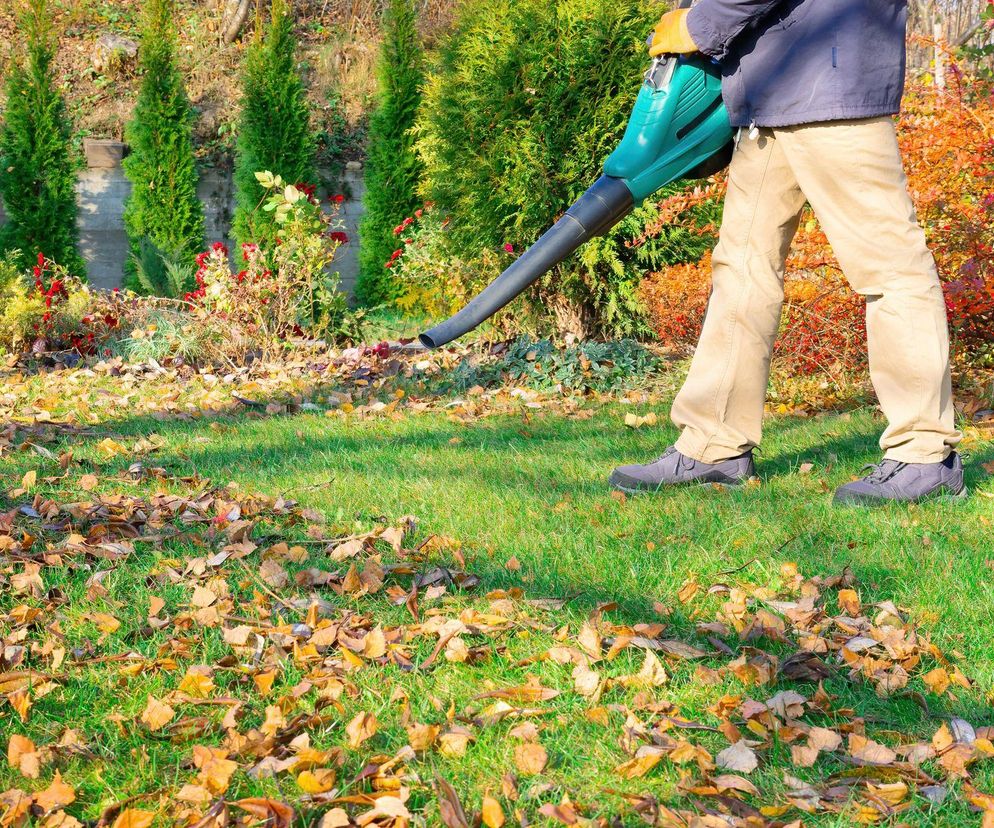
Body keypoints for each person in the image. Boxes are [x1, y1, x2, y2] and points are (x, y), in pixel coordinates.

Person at [609, 0, 967, 506]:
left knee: (891, 269)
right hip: (768, 91)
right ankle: (714, 443)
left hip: (830, 78)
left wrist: (699, 23)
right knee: (741, 271)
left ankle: (924, 453)